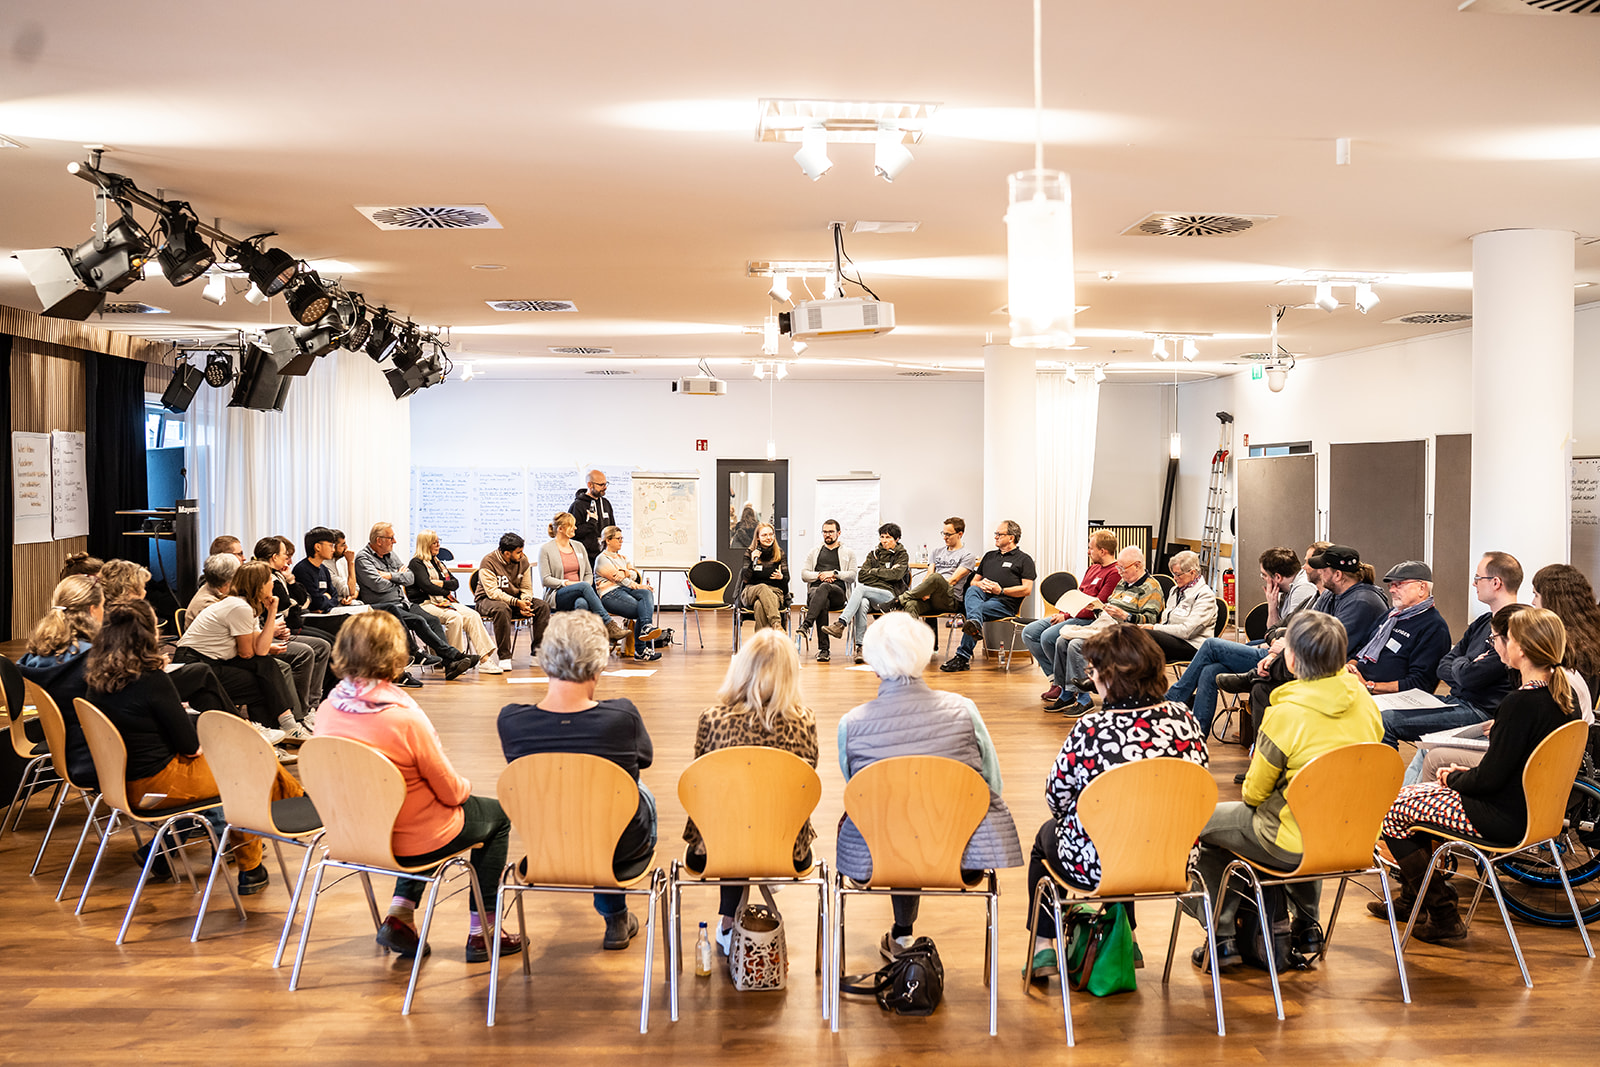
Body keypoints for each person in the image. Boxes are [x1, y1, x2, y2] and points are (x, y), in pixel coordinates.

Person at [313, 611, 521, 963]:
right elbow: (453, 793)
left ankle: (401, 914)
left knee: (419, 812)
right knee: (496, 817)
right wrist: (466, 783)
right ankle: (482, 933)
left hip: (355, 833)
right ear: (396, 653)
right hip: (411, 838)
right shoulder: (403, 717)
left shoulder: (327, 708)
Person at [1187, 612, 1382, 969]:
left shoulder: (1286, 714)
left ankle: (1222, 934)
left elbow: (1254, 794)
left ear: (1291, 658)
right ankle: (1308, 926)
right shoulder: (1366, 704)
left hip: (1287, 840)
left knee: (1201, 824)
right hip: (1351, 837)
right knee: (1314, 813)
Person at [1374, 607, 1580, 943]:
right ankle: (1416, 899)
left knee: (1394, 810)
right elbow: (1507, 768)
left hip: (1500, 815)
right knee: (1409, 800)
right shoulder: (1563, 699)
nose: (1499, 645)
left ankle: (1441, 913)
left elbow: (1490, 780)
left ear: (1522, 649)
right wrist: (1463, 774)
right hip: (1535, 812)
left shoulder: (1520, 704)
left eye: (1504, 639)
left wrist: (1453, 777)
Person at [84, 600, 307, 896]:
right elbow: (188, 747)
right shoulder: (152, 680)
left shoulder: (95, 682)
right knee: (245, 769)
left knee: (236, 765)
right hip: (160, 784)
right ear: (145, 637)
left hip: (122, 784)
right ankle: (254, 866)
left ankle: (160, 852)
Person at [1026, 626, 1209, 981]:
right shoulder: (1185, 720)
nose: (1090, 678)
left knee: (1053, 838)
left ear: (1110, 678)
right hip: (1174, 858)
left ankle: (1043, 947)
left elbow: (1056, 798)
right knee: (1133, 830)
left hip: (1097, 864)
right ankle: (1129, 936)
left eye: (1093, 671)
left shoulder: (1092, 729)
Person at [838, 612, 1022, 958]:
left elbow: (860, 795)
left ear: (873, 666)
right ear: (925, 656)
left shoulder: (852, 724)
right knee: (918, 823)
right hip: (961, 853)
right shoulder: (964, 710)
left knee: (896, 822)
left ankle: (903, 935)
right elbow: (991, 784)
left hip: (880, 856)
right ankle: (903, 933)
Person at [497, 613, 655, 951]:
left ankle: (616, 916)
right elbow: (644, 760)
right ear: (599, 665)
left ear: (545, 659)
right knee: (631, 793)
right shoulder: (621, 717)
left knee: (569, 797)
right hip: (620, 848)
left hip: (547, 843)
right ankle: (614, 916)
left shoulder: (511, 722)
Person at [682, 629, 818, 954]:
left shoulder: (711, 719)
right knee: (752, 817)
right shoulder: (804, 722)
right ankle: (764, 860)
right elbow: (806, 784)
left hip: (715, 849)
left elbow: (703, 787)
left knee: (729, 818)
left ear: (740, 668)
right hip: (787, 849)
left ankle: (728, 924)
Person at [1163, 544, 1321, 732]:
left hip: (1280, 659)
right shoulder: (1287, 590)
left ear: (1277, 577)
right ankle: (1197, 736)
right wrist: (1272, 605)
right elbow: (1272, 631)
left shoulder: (1303, 590)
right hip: (1270, 649)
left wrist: (1270, 640)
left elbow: (1287, 634)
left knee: (1211, 645)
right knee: (1210, 671)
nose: (1304, 566)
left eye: (1263, 575)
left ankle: (1174, 697)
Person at [1385, 552, 1521, 751]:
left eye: (1477, 578)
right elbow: (1444, 665)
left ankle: (1381, 781)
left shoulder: (1515, 627)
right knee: (1374, 710)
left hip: (1482, 711)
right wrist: (1467, 664)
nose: (1474, 584)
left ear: (1496, 583)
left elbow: (1470, 677)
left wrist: (1464, 665)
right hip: (1458, 701)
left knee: (1385, 720)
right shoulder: (1484, 621)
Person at [175, 560, 307, 745]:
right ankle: (272, 731)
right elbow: (247, 653)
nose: (273, 584)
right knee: (260, 681)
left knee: (265, 665)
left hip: (215, 661)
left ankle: (279, 731)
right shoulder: (239, 607)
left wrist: (272, 611)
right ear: (259, 584)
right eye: (270, 580)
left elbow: (260, 651)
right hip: (195, 663)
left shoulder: (248, 606)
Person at [355, 522, 480, 680]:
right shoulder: (363, 558)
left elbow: (410, 578)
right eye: (391, 538)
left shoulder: (391, 555)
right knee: (419, 620)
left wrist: (390, 575)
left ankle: (450, 665)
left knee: (433, 620)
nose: (395, 541)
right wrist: (397, 576)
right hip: (384, 607)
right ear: (379, 540)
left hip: (403, 603)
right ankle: (454, 656)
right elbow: (379, 586)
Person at [1045, 546, 1163, 713]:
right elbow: (1110, 606)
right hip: (1106, 625)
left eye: (1123, 568)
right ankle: (1066, 693)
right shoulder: (1123, 583)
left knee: (1076, 644)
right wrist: (1098, 608)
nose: (1120, 572)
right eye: (1118, 567)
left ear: (1137, 565)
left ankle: (1084, 699)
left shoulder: (1152, 587)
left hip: (1128, 633)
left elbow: (1150, 620)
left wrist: (1125, 615)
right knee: (1061, 641)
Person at [17, 576, 104, 787]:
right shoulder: (92, 660)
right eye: (104, 606)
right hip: (97, 757)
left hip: (65, 752)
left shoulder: (35, 657)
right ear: (93, 610)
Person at [1022, 528, 1120, 703]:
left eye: (1091, 548)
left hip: (1089, 619)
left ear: (1102, 551)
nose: (1088, 551)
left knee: (1048, 637)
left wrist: (1066, 617)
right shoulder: (1092, 568)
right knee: (1029, 632)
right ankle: (1057, 680)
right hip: (1073, 614)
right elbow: (1078, 595)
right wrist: (1063, 613)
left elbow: (1097, 605)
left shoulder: (1114, 573)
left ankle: (1067, 685)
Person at [939, 519, 1038, 673]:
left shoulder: (1024, 560)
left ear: (1011, 537)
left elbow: (1027, 589)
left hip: (1004, 604)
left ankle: (962, 657)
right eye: (996, 534)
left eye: (999, 534)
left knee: (975, 611)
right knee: (972, 591)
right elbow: (974, 582)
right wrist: (982, 585)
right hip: (982, 596)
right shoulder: (989, 556)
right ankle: (973, 628)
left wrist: (1001, 591)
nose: (995, 537)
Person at [1350, 561, 1451, 702]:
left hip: (1390, 699)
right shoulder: (1390, 616)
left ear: (1421, 588)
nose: (1392, 590)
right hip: (1359, 687)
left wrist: (1369, 686)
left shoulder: (1434, 627)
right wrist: (1350, 668)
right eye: (1391, 585)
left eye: (1399, 584)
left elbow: (1420, 684)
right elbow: (1361, 648)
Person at [255, 536, 333, 717]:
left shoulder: (281, 576)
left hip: (286, 627)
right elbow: (288, 606)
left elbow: (305, 601)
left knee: (325, 645)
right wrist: (295, 603)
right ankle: (301, 710)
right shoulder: (265, 577)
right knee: (308, 651)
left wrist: (291, 582)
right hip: (277, 631)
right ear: (274, 557)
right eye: (285, 555)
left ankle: (313, 705)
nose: (288, 560)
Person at [408, 530, 500, 673]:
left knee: (473, 615)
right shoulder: (416, 563)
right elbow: (426, 586)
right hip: (425, 604)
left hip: (443, 602)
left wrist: (440, 585)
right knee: (454, 617)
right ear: (426, 544)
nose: (438, 545)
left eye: (439, 541)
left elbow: (455, 584)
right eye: (435, 542)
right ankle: (458, 660)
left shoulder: (438, 563)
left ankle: (485, 659)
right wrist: (444, 588)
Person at [822, 522, 909, 663]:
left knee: (860, 589)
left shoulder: (902, 555)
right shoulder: (874, 554)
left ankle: (841, 623)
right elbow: (862, 575)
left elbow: (896, 575)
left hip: (889, 596)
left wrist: (873, 572)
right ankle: (860, 648)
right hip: (870, 595)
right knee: (862, 602)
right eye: (882, 537)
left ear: (897, 539)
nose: (884, 540)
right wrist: (885, 573)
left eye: (888, 537)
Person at [538, 513, 631, 642]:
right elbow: (546, 579)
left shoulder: (578, 546)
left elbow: (588, 573)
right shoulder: (546, 549)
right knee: (583, 586)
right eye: (571, 526)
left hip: (581, 591)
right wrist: (568, 584)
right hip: (558, 594)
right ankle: (608, 624)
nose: (575, 528)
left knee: (581, 602)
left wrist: (583, 585)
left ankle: (578, 643)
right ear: (560, 529)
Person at [475, 532, 551, 664]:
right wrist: (517, 603)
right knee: (502, 609)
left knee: (542, 606)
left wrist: (526, 602)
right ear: (507, 553)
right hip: (487, 600)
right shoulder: (488, 562)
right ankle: (504, 657)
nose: (522, 555)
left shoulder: (523, 560)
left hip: (515, 600)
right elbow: (493, 593)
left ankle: (537, 654)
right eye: (519, 552)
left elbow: (526, 587)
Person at [1138, 550, 1219, 664]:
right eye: (1173, 574)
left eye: (1178, 574)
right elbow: (1166, 621)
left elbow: (1187, 631)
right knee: (1133, 635)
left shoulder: (1205, 595)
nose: (1175, 578)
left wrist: (1155, 628)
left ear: (1192, 573)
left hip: (1193, 645)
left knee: (1146, 636)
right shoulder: (1175, 591)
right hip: (1171, 639)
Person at [1530, 563, 1600, 694]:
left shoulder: (1564, 648)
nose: (1533, 602)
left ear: (1552, 601)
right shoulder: (1590, 638)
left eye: (1536, 595)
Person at [594, 526, 661, 662]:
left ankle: (646, 628)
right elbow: (620, 579)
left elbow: (634, 574)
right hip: (610, 594)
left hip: (625, 590)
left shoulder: (623, 557)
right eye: (618, 538)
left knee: (646, 592)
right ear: (608, 540)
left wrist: (624, 572)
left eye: (622, 538)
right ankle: (641, 650)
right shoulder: (602, 559)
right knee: (642, 610)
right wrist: (630, 578)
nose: (621, 541)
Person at [797, 519, 857, 663]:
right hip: (816, 593)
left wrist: (834, 574)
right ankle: (824, 651)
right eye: (825, 532)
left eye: (831, 532)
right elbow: (804, 574)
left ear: (839, 533)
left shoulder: (848, 553)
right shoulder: (814, 552)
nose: (827, 535)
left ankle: (807, 625)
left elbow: (853, 575)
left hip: (837, 593)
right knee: (822, 597)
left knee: (824, 588)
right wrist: (819, 575)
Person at [898, 516, 978, 621]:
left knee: (936, 578)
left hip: (950, 599)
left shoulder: (968, 556)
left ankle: (899, 600)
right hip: (931, 598)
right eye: (944, 533)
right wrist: (926, 590)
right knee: (910, 604)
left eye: (948, 534)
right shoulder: (936, 552)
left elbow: (953, 580)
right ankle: (914, 637)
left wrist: (930, 590)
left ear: (960, 534)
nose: (945, 537)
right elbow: (928, 575)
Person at [738, 521, 789, 633]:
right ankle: (776, 624)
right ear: (757, 537)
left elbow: (787, 579)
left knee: (759, 606)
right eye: (764, 535)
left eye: (771, 534)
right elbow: (745, 579)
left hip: (774, 593)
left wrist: (781, 577)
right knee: (762, 587)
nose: (768, 538)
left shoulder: (779, 553)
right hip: (751, 591)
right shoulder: (750, 552)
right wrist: (752, 562)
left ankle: (761, 646)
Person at [569, 469, 616, 564]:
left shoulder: (606, 503)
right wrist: (591, 523)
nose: (605, 487)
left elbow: (612, 529)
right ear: (590, 485)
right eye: (601, 485)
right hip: (585, 558)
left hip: (606, 557)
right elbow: (573, 533)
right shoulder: (577, 506)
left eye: (606, 484)